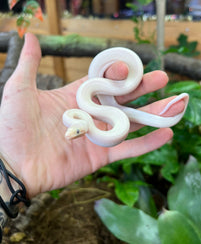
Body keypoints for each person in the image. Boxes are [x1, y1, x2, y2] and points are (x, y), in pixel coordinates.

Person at [0, 33, 185, 233]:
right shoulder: (76, 116)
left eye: (76, 133)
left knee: (124, 76)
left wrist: (11, 168)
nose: (73, 135)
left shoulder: (83, 113)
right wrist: (12, 167)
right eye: (76, 132)